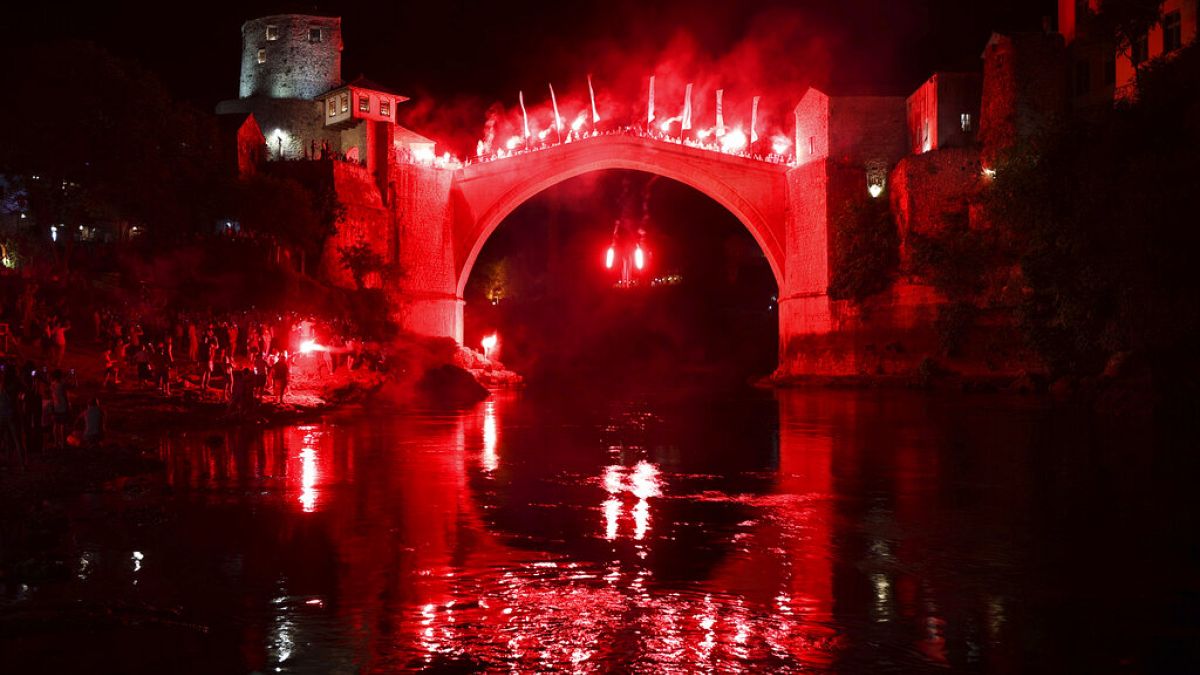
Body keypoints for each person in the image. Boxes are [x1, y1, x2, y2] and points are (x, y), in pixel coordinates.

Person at [50, 370, 69, 449]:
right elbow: (65, 395)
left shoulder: (52, 385)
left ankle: (56, 443)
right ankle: (63, 443)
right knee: (63, 425)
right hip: (63, 406)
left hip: (55, 406)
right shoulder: (62, 385)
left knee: (55, 425)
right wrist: (68, 404)